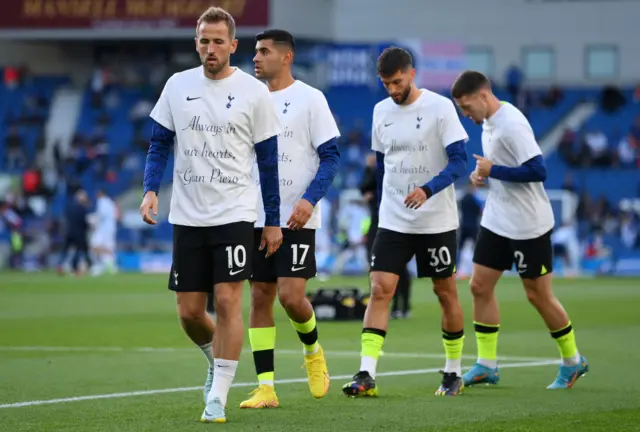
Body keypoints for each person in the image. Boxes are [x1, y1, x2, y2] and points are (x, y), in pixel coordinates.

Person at [139, 7, 283, 423]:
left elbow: (268, 162)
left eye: (219, 41)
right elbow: (159, 143)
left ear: (233, 46)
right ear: (196, 43)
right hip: (187, 215)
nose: (210, 48)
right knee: (188, 312)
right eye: (204, 40)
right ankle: (212, 360)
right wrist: (150, 189)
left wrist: (271, 219)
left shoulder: (254, 92)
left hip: (235, 213)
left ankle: (218, 394)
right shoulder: (177, 85)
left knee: (226, 301)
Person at [342, 47, 469, 398]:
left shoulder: (440, 108)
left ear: (412, 74)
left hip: (436, 221)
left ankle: (453, 371)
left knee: (445, 293)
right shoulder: (380, 111)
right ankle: (366, 372)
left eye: (397, 82)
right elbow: (382, 166)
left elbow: (460, 163)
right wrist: (382, 205)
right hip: (393, 219)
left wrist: (427, 190)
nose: (392, 90)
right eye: (386, 84)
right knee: (380, 289)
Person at [450, 70, 589, 390]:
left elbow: (538, 170)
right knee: (479, 286)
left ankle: (573, 361)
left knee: (538, 295)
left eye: (467, 108)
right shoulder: (488, 122)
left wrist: (493, 169)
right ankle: (487, 364)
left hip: (528, 224)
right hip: (498, 219)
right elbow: (503, 166)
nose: (467, 116)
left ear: (483, 96)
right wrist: (483, 175)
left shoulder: (511, 123)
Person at [240, 29, 340, 409]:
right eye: (255, 51)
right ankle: (266, 387)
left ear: (286, 57)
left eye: (263, 51)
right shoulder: (248, 98)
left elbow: (331, 156)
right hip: (254, 215)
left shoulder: (311, 99)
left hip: (296, 216)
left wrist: (310, 200)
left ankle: (313, 352)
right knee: (260, 295)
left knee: (291, 296)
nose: (256, 57)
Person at [360, 153, 412, 319]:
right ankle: (400, 306)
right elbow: (364, 187)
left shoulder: (383, 172)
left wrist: (369, 169)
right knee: (396, 268)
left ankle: (398, 305)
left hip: (386, 224)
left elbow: (364, 186)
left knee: (387, 267)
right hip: (388, 223)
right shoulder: (390, 173)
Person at [58, 189, 92, 276]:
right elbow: (84, 223)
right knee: (78, 250)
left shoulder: (69, 208)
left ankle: (60, 265)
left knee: (65, 250)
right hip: (79, 234)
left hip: (69, 232)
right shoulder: (83, 209)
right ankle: (74, 266)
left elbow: (65, 219)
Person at [89, 189, 118, 276]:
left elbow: (100, 215)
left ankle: (102, 265)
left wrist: (92, 220)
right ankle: (109, 264)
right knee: (105, 246)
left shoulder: (102, 201)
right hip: (111, 227)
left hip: (103, 228)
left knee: (95, 245)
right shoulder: (111, 203)